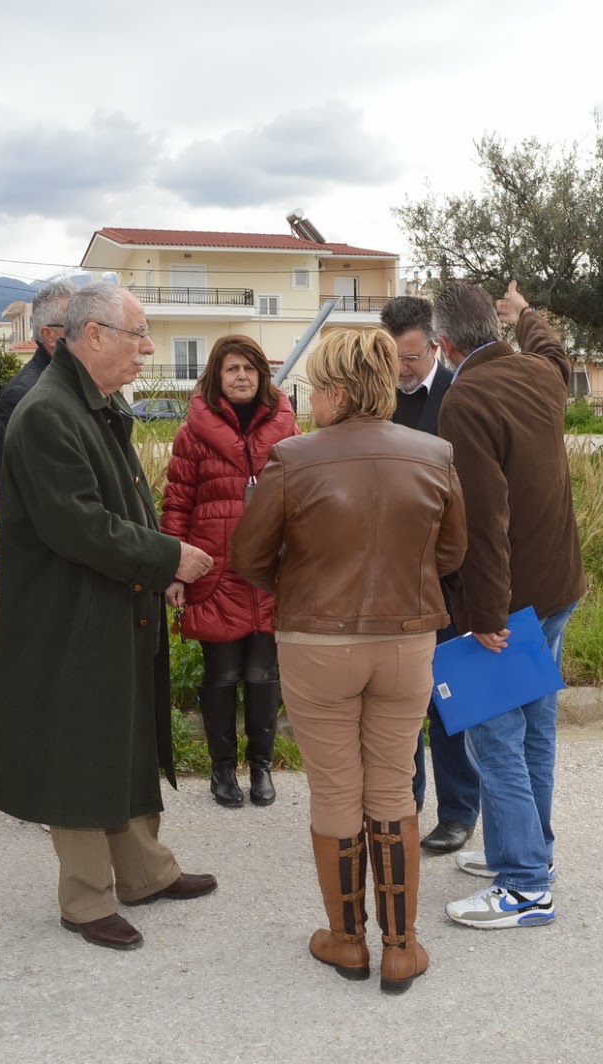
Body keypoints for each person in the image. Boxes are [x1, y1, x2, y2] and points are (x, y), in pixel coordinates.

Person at [231, 327, 467, 994]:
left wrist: (304, 589)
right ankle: (401, 947)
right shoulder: (434, 454)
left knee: (336, 788)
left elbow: (249, 558)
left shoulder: (291, 458)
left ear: (334, 390)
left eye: (312, 390)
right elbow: (450, 555)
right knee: (392, 785)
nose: (307, 402)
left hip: (318, 644)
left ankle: (345, 940)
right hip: (407, 640)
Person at [0, 282, 219, 951]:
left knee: (126, 736)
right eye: (137, 335)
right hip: (70, 616)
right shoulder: (48, 414)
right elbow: (80, 527)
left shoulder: (92, 403)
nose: (148, 349)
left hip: (110, 603)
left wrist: (156, 569)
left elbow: (121, 509)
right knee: (82, 752)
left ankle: (145, 871)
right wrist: (168, 558)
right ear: (92, 336)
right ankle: (86, 901)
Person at [435, 282, 586, 931]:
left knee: (497, 740)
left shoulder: (465, 397)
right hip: (558, 589)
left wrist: (486, 618)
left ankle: (525, 887)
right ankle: (524, 853)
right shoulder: (538, 374)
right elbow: (554, 352)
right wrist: (529, 314)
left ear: (445, 345)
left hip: (512, 601)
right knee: (536, 732)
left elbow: (483, 518)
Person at [160, 335, 299, 808]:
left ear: (262, 375)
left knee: (262, 671)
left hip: (267, 571)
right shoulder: (193, 433)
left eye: (249, 369)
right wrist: (175, 569)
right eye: (231, 369)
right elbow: (177, 502)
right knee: (221, 674)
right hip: (214, 571)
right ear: (216, 377)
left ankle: (261, 766)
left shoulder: (287, 428)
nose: (241, 376)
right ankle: (222, 770)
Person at [381, 295, 480, 857]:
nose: (403, 369)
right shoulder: (378, 399)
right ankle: (405, 803)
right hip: (393, 575)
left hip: (446, 574)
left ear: (436, 347)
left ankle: (461, 810)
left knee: (448, 700)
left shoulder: (458, 397)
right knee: (401, 703)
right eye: (394, 359)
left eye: (412, 358)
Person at [0, 279, 77, 491]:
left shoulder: (80, 383)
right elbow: (16, 486)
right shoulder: (22, 396)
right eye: (75, 323)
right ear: (49, 335)